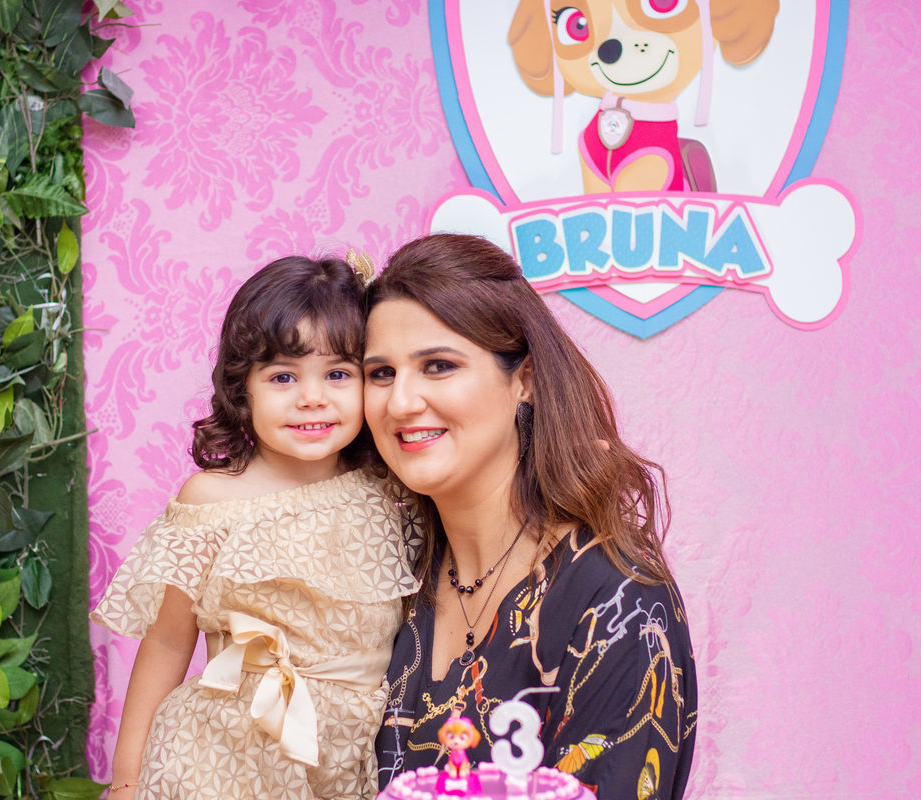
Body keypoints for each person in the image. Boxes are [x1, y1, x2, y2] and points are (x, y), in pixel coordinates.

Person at [365, 234, 697, 799]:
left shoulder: (617, 603)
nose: (401, 403)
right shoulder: (385, 578)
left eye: (438, 366)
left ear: (525, 380)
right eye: (381, 373)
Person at [90, 255, 420, 799]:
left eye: (338, 374)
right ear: (243, 389)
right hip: (216, 756)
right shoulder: (212, 498)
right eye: (283, 376)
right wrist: (127, 780)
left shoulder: (390, 491)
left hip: (344, 760)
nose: (311, 397)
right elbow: (170, 643)